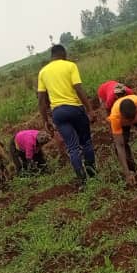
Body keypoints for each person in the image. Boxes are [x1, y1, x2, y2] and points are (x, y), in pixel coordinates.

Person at [37, 44, 97, 183]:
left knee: (72, 147)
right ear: (63, 54)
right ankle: (92, 173)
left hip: (58, 112)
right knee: (86, 142)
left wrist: (45, 120)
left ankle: (82, 179)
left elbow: (41, 100)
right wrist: (90, 109)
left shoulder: (43, 72)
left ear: (52, 56)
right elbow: (78, 89)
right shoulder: (70, 66)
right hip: (75, 108)